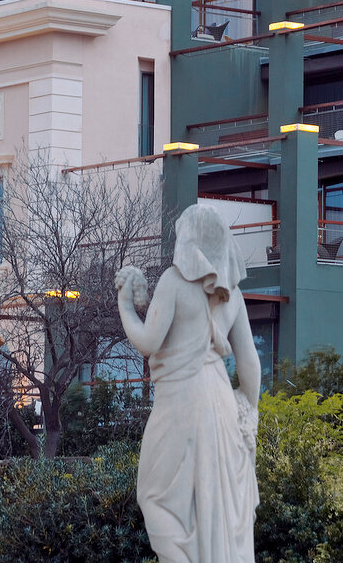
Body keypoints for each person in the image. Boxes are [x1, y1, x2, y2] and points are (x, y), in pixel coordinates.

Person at [115, 203, 260, 563]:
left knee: (154, 495)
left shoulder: (174, 283)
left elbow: (148, 342)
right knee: (217, 503)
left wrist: (125, 306)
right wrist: (249, 407)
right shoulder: (234, 296)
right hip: (222, 401)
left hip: (181, 400)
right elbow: (249, 362)